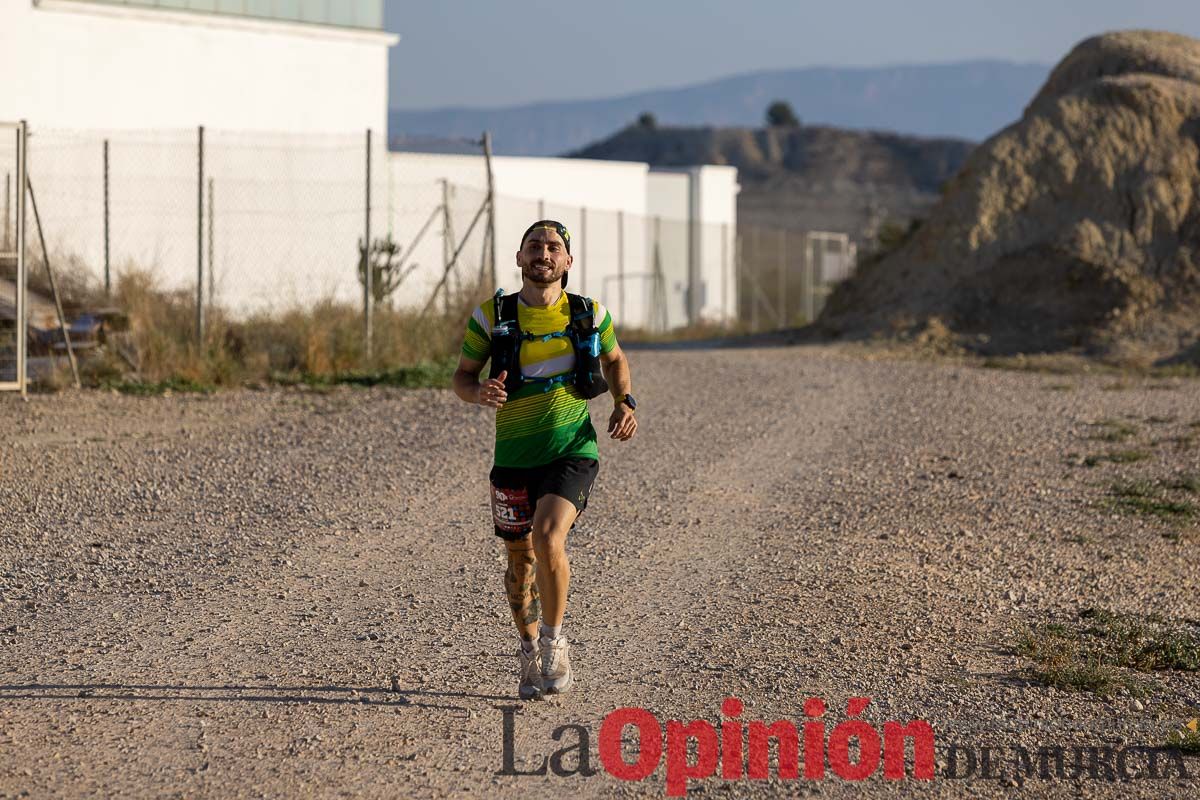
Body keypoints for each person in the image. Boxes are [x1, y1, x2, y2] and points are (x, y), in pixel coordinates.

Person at [452, 220, 637, 700]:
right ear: (519, 258)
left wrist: (624, 402)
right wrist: (479, 393)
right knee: (519, 562)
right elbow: (462, 377)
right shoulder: (490, 317)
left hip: (572, 449)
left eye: (554, 247)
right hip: (514, 455)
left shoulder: (590, 314)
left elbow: (615, 360)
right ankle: (529, 648)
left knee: (548, 534)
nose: (543, 253)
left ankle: (556, 644)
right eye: (534, 245)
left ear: (567, 262)